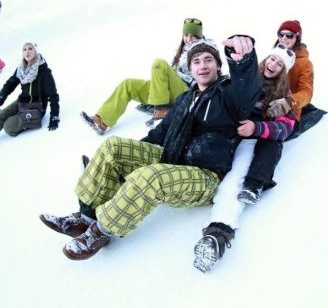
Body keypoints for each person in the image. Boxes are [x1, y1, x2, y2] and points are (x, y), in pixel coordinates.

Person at [39, 36, 261, 261]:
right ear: (190, 68)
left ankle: (99, 232)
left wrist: (243, 61)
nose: (202, 65)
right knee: (113, 147)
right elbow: (160, 133)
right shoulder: (185, 98)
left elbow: (247, 88)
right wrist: (129, 158)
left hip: (205, 176)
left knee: (150, 177)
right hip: (172, 159)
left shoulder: (228, 95)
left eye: (208, 60)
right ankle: (85, 218)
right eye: (196, 61)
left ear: (218, 65)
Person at [193, 44, 296, 273]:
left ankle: (217, 234)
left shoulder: (283, 97)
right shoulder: (243, 79)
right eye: (271, 59)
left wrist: (256, 127)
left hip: (247, 140)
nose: (273, 64)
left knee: (234, 181)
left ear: (283, 72)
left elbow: (285, 129)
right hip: (222, 136)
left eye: (279, 64)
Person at [80, 17, 204, 134]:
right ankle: (101, 122)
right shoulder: (182, 51)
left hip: (186, 94)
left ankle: (161, 110)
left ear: (200, 36)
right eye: (186, 35)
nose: (189, 39)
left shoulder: (204, 50)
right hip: (170, 91)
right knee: (128, 84)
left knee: (159, 64)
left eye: (194, 36)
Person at [0, 42, 60, 137]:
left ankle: (25, 121)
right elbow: (10, 84)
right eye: (24, 49)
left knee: (8, 126)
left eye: (30, 48)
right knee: (1, 115)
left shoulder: (43, 71)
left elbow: (53, 96)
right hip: (22, 102)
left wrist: (54, 116)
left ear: (36, 51)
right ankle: (18, 116)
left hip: (36, 108)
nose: (27, 51)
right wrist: (2, 96)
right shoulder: (21, 69)